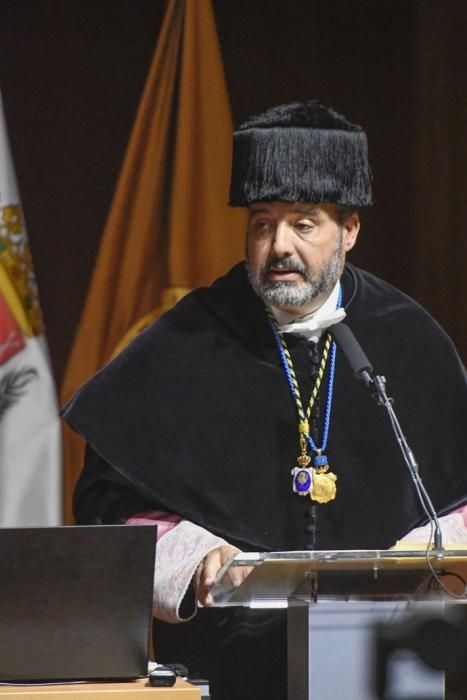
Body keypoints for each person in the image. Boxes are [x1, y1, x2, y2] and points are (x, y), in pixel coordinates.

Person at [62, 101, 467, 699]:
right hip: (225, 668)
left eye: (304, 224)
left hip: (386, 660)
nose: (279, 246)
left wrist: (431, 553)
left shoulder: (408, 338)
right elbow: (107, 506)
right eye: (261, 223)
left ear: (348, 229)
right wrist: (193, 556)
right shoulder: (186, 340)